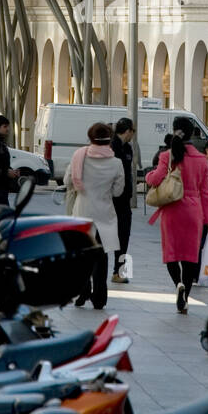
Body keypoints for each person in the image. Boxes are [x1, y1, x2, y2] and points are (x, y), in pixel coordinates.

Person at [145, 116, 208, 314]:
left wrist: (149, 174)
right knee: (190, 257)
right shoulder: (201, 159)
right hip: (194, 212)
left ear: (175, 130)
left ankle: (178, 284)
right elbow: (206, 192)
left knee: (172, 254)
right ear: (193, 133)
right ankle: (185, 295)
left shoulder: (167, 156)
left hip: (172, 210)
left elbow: (155, 178)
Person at [69, 123, 125, 310]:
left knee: (83, 254)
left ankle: (83, 291)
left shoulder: (79, 156)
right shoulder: (116, 163)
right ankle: (99, 298)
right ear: (109, 139)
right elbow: (118, 192)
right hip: (104, 214)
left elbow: (68, 180)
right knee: (101, 257)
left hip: (82, 212)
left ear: (90, 137)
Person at [110, 117, 135, 283]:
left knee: (123, 235)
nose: (133, 134)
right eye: (133, 131)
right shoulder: (112, 147)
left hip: (124, 198)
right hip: (111, 199)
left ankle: (119, 271)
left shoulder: (128, 148)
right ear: (128, 131)